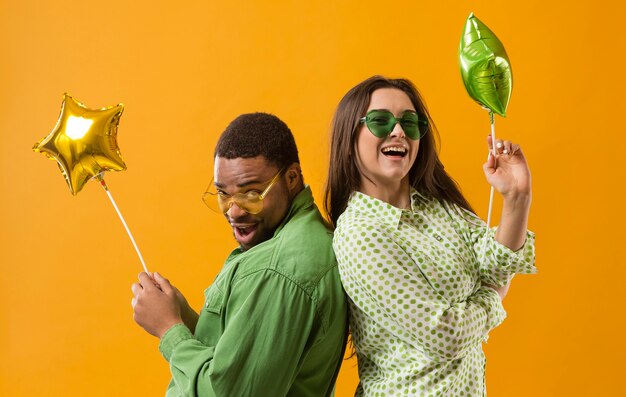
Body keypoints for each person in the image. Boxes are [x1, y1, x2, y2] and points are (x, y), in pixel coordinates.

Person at [324, 76, 536, 396]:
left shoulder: (437, 207)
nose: (398, 132)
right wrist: (493, 297)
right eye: (381, 121)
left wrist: (518, 197)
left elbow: (495, 266)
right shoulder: (359, 234)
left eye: (410, 123)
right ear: (349, 137)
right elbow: (445, 335)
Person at [132, 112, 348, 397]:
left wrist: (169, 329)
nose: (234, 211)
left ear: (292, 177)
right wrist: (183, 317)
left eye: (251, 194)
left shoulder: (280, 269)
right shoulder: (287, 244)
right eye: (223, 194)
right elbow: (241, 363)